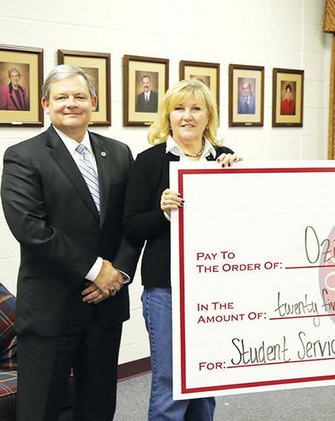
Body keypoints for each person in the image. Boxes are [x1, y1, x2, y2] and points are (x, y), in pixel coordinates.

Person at [0, 65, 139, 420]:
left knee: (98, 406)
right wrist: (97, 270)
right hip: (51, 309)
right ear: (46, 103)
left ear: (93, 102)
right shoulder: (24, 156)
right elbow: (31, 228)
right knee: (39, 409)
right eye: (62, 97)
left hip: (105, 306)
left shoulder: (120, 153)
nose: (71, 104)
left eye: (79, 96)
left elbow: (130, 222)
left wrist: (118, 273)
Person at [124, 78, 239, 420]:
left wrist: (241, 182)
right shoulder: (148, 162)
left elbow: (242, 224)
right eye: (179, 108)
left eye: (196, 108)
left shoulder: (225, 160)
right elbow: (130, 225)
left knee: (206, 378)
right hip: (166, 289)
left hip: (214, 287)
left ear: (208, 116)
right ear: (168, 115)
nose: (187, 116)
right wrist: (162, 213)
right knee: (170, 380)